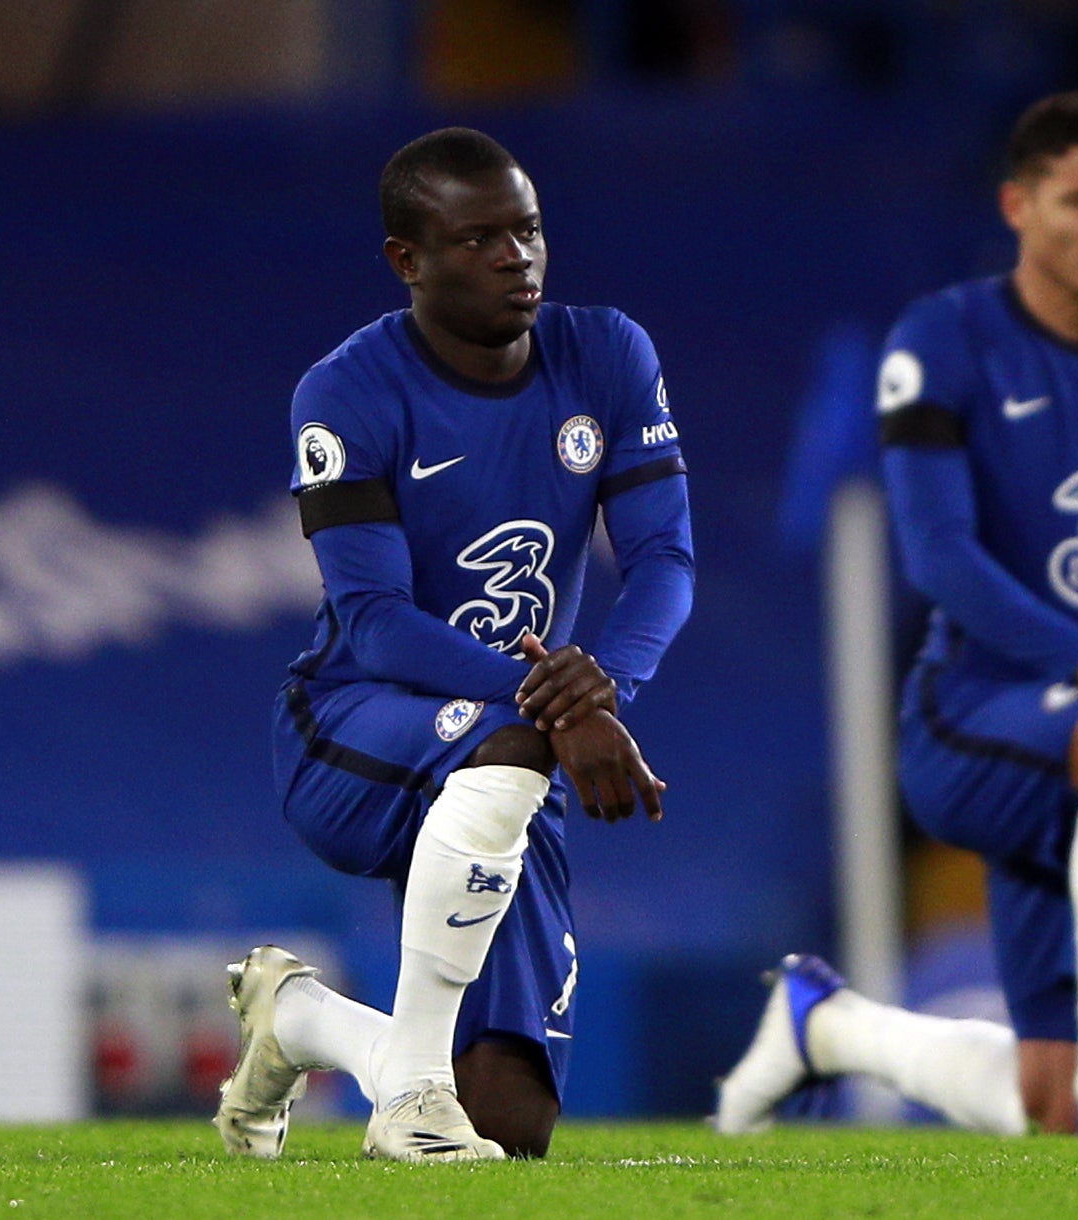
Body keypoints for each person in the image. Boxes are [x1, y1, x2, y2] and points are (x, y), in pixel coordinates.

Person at [716, 93, 1078, 1140]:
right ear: (1017, 205)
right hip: (971, 717)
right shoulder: (945, 337)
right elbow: (940, 553)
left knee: (1043, 1112)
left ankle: (822, 1026)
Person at [214, 128, 694, 1162]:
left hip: (514, 744)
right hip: (351, 725)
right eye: (478, 239)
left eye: (525, 231)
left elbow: (664, 559)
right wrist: (561, 706)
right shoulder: (344, 390)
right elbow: (375, 618)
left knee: (511, 1131)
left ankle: (297, 1017)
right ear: (407, 260)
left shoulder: (607, 352)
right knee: (508, 746)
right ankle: (412, 1101)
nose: (514, 257)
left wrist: (601, 684)